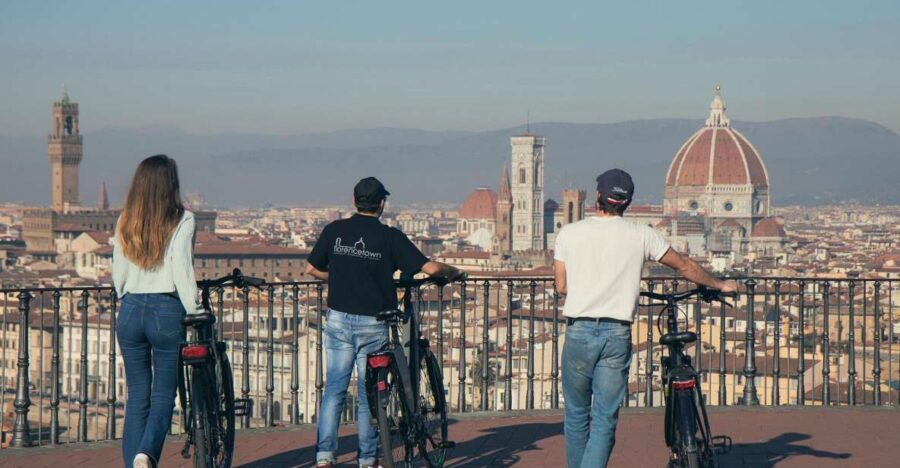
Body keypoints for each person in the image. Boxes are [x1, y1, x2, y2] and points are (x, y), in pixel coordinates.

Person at [554, 169, 737, 468]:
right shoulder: (642, 234)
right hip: (617, 333)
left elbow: (561, 286)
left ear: (597, 196)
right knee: (604, 418)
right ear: (626, 203)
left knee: (576, 414)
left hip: (579, 331)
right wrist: (719, 284)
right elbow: (685, 265)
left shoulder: (569, 233)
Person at [307, 177, 463, 468]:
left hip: (338, 320)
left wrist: (339, 276)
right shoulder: (390, 237)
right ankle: (367, 459)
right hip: (373, 323)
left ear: (354, 202)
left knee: (334, 390)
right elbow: (429, 268)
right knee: (370, 396)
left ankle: (325, 457)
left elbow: (312, 268)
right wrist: (454, 272)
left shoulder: (335, 231)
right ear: (381, 204)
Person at [113, 155, 202, 468]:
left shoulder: (126, 218)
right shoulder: (183, 219)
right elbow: (182, 270)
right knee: (164, 393)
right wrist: (194, 309)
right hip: (165, 310)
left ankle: (133, 463)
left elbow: (118, 275)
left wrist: (128, 292)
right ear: (171, 183)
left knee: (137, 394)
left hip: (130, 309)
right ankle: (145, 454)